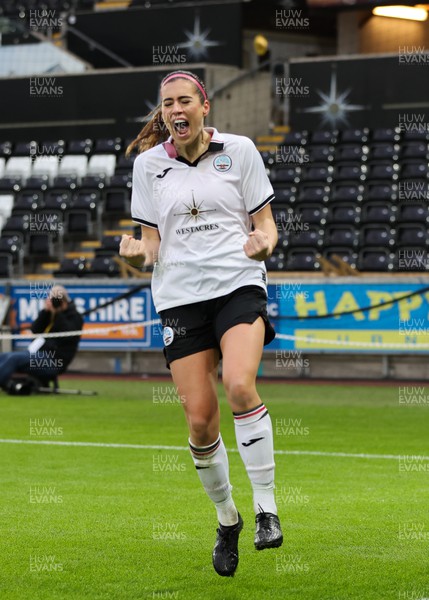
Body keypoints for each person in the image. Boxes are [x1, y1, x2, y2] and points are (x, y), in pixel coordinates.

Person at [120, 70, 282, 577]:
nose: (176, 109)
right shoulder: (149, 166)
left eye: (184, 100)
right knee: (199, 422)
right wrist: (132, 255)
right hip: (180, 298)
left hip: (237, 285)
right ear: (163, 113)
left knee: (239, 384)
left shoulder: (241, 150)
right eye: (167, 103)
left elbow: (266, 225)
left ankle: (266, 509)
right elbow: (150, 246)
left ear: (204, 106)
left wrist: (265, 244)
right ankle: (227, 518)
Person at [0, 285, 83, 390]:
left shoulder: (75, 317)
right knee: (4, 356)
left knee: (13, 359)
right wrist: (45, 312)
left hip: (54, 361)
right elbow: (35, 330)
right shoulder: (48, 314)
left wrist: (57, 313)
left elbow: (67, 336)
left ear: (64, 301)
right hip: (37, 353)